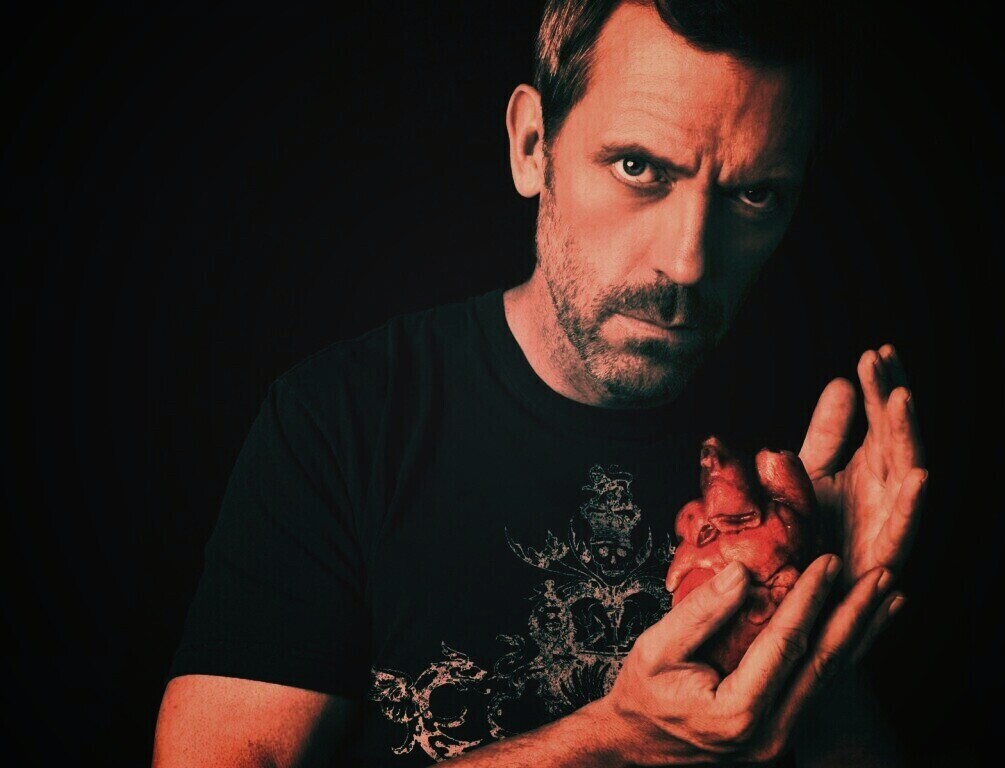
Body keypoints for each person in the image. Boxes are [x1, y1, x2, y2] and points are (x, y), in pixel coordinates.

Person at [152, 1, 927, 765]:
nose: (688, 262)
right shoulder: (342, 421)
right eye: (638, 168)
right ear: (532, 146)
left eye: (753, 194)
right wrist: (613, 744)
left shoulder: (818, 471)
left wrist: (823, 635)